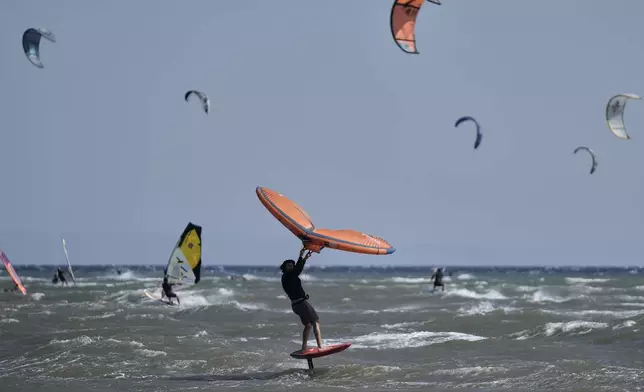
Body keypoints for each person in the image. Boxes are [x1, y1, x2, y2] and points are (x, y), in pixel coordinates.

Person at [281, 247, 322, 352]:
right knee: (316, 321)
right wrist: (301, 255)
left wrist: (305, 258)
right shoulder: (288, 276)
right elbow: (298, 269)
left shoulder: (287, 276)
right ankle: (320, 347)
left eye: (292, 265)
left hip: (296, 305)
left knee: (308, 325)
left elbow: (298, 268)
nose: (291, 267)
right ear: (284, 268)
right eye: (288, 266)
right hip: (301, 304)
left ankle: (304, 347)